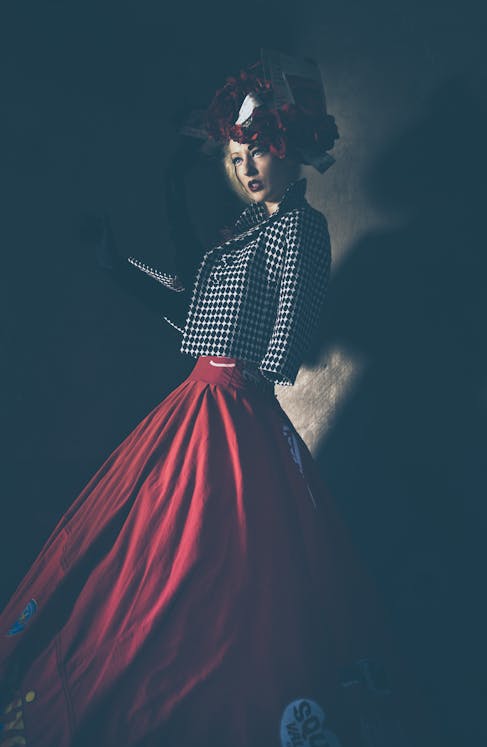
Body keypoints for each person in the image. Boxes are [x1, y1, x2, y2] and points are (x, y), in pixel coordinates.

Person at [0, 55, 415, 747]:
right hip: (196, 400)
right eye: (234, 155)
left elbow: (282, 346)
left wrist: (240, 343)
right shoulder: (246, 230)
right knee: (149, 560)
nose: (246, 166)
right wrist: (120, 262)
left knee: (216, 570)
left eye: (258, 151)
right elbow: (194, 307)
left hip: (235, 411)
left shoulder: (299, 230)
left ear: (292, 148)